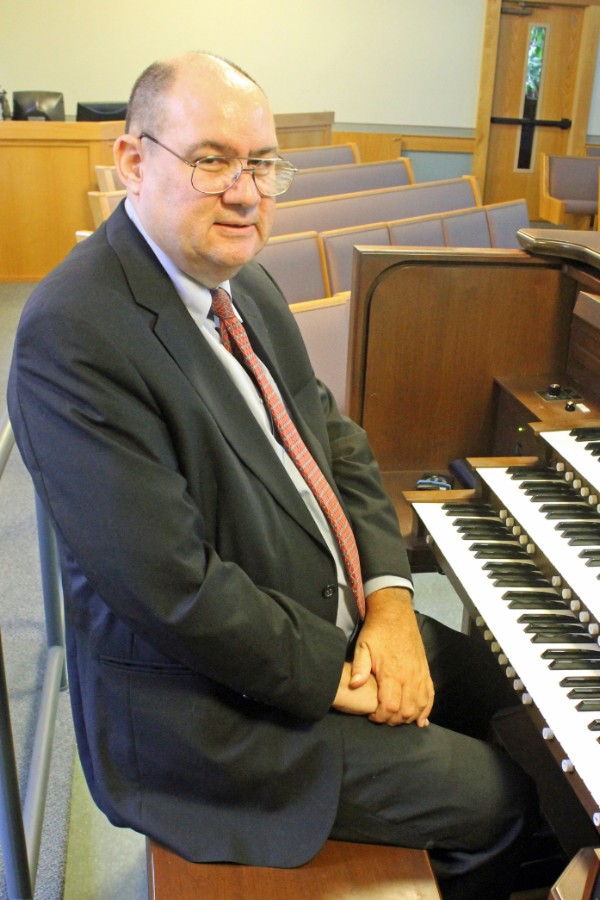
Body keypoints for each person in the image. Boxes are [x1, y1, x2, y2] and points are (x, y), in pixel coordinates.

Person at [7, 51, 538, 899]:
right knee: (502, 798)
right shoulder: (73, 335)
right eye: (212, 159)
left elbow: (342, 449)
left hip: (323, 621)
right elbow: (175, 592)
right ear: (133, 161)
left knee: (512, 705)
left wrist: (394, 606)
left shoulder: (242, 286)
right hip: (207, 714)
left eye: (260, 163)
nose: (247, 191)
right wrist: (348, 676)